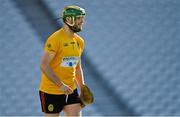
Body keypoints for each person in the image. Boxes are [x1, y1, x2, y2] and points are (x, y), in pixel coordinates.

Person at [39, 5, 86, 117]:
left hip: (71, 91)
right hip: (51, 92)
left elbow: (77, 67)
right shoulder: (55, 39)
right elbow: (44, 65)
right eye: (79, 18)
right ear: (69, 19)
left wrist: (83, 88)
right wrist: (61, 85)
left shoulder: (79, 41)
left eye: (82, 18)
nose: (82, 21)